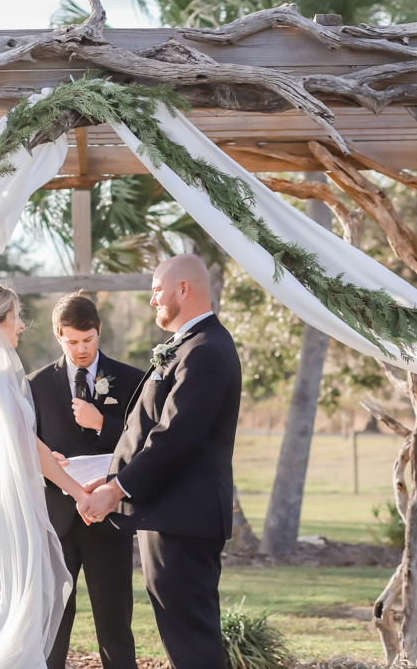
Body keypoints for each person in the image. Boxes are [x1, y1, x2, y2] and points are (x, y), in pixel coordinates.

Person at [80, 255, 242, 669]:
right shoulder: (190, 345)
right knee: (183, 638)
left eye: (157, 290)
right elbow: (145, 428)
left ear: (183, 289)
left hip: (183, 520)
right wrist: (110, 476)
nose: (153, 300)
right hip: (169, 514)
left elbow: (174, 437)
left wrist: (116, 490)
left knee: (192, 642)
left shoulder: (205, 350)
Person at [0, 281, 91, 669]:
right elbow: (27, 447)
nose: (22, 324)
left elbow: (16, 444)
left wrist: (47, 458)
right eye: (16, 317)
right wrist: (79, 492)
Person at [27, 292, 145, 669]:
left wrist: (103, 424)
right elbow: (25, 445)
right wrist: (46, 457)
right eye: (72, 341)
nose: (81, 349)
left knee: (115, 625)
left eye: (88, 340)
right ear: (58, 336)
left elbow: (145, 443)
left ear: (99, 330)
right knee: (53, 624)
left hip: (109, 520)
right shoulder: (35, 384)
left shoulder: (132, 380)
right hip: (56, 521)